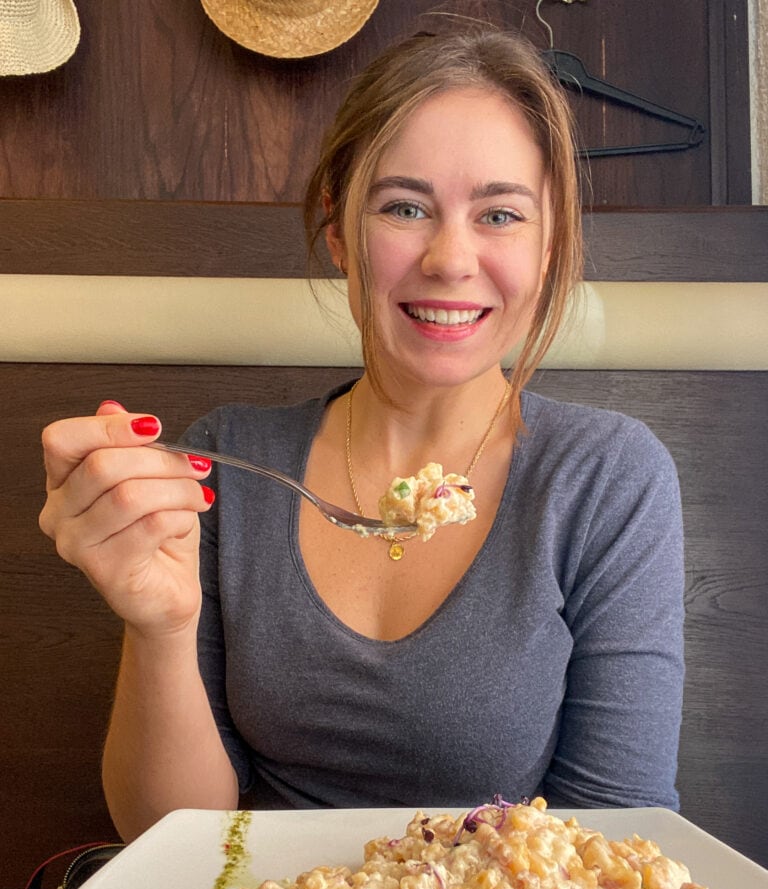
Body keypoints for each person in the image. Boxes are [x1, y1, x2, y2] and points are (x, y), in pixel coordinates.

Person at [39, 26, 684, 843]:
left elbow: (621, 836)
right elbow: (169, 837)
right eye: (405, 207)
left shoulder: (608, 480)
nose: (452, 259)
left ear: (548, 245)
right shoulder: (228, 463)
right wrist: (157, 626)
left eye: (500, 214)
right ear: (339, 230)